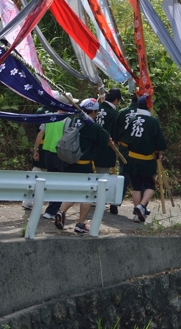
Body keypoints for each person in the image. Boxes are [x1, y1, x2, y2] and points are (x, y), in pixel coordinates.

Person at [55, 99, 112, 234]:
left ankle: (61, 211)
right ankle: (80, 224)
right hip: (83, 166)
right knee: (87, 194)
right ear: (93, 111)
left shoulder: (73, 120)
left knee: (74, 191)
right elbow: (104, 140)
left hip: (68, 163)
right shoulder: (93, 126)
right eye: (96, 112)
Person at [119, 95, 167, 223]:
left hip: (132, 158)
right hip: (146, 159)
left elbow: (125, 138)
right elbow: (159, 142)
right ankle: (141, 206)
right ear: (148, 106)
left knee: (136, 187)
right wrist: (158, 152)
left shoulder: (132, 119)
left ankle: (137, 214)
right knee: (149, 185)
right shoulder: (153, 121)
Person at [33, 92, 69, 220]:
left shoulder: (49, 116)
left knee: (51, 180)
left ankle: (51, 207)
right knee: (59, 183)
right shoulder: (68, 120)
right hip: (60, 155)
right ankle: (52, 211)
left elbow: (40, 134)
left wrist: (36, 150)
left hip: (47, 153)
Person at [94, 89, 121, 215]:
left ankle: (95, 197)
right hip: (106, 146)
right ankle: (98, 198)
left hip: (92, 145)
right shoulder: (114, 114)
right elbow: (115, 132)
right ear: (116, 100)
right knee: (103, 173)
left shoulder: (96, 107)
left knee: (95, 172)